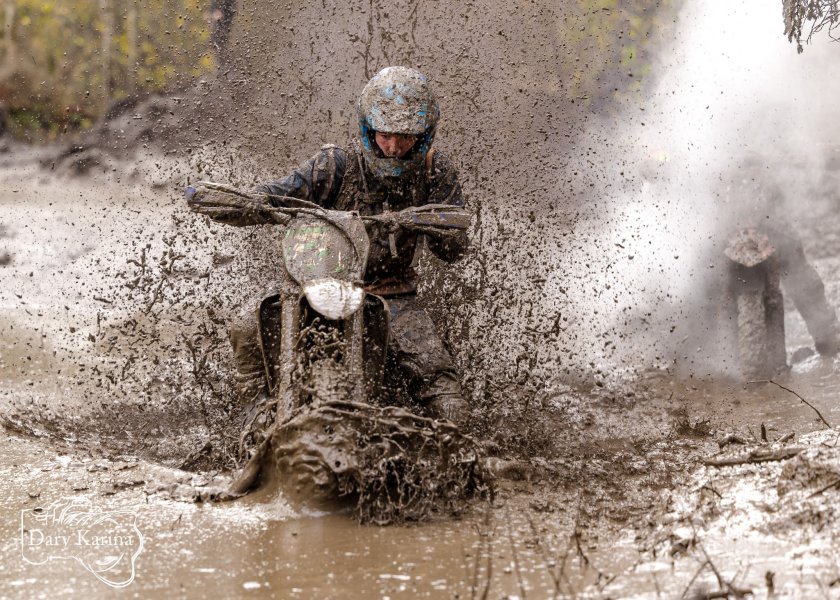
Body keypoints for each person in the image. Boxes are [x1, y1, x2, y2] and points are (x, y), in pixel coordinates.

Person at [194, 66, 469, 424]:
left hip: (393, 295)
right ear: (368, 128)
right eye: (385, 134)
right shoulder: (335, 165)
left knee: (442, 383)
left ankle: (454, 449)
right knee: (246, 327)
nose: (393, 147)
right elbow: (279, 194)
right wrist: (244, 202)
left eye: (405, 137)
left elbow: (455, 250)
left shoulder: (435, 171)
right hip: (315, 286)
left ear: (424, 134)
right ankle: (252, 413)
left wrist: (436, 227)